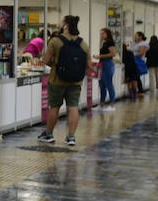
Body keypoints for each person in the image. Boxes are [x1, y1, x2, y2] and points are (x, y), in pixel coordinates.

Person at [38, 15, 90, 146]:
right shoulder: (83, 44)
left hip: (57, 80)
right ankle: (71, 137)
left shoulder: (55, 41)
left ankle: (49, 134)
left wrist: (55, 65)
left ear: (65, 25)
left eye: (61, 22)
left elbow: (45, 60)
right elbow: (89, 64)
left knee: (54, 106)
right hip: (76, 82)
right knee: (73, 107)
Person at [96, 27, 117, 112]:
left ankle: (112, 105)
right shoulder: (104, 42)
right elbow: (101, 50)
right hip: (102, 64)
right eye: (100, 34)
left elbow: (113, 54)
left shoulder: (110, 42)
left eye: (103, 33)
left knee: (109, 84)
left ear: (107, 34)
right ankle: (101, 104)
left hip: (107, 64)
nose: (101, 35)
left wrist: (100, 56)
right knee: (102, 84)